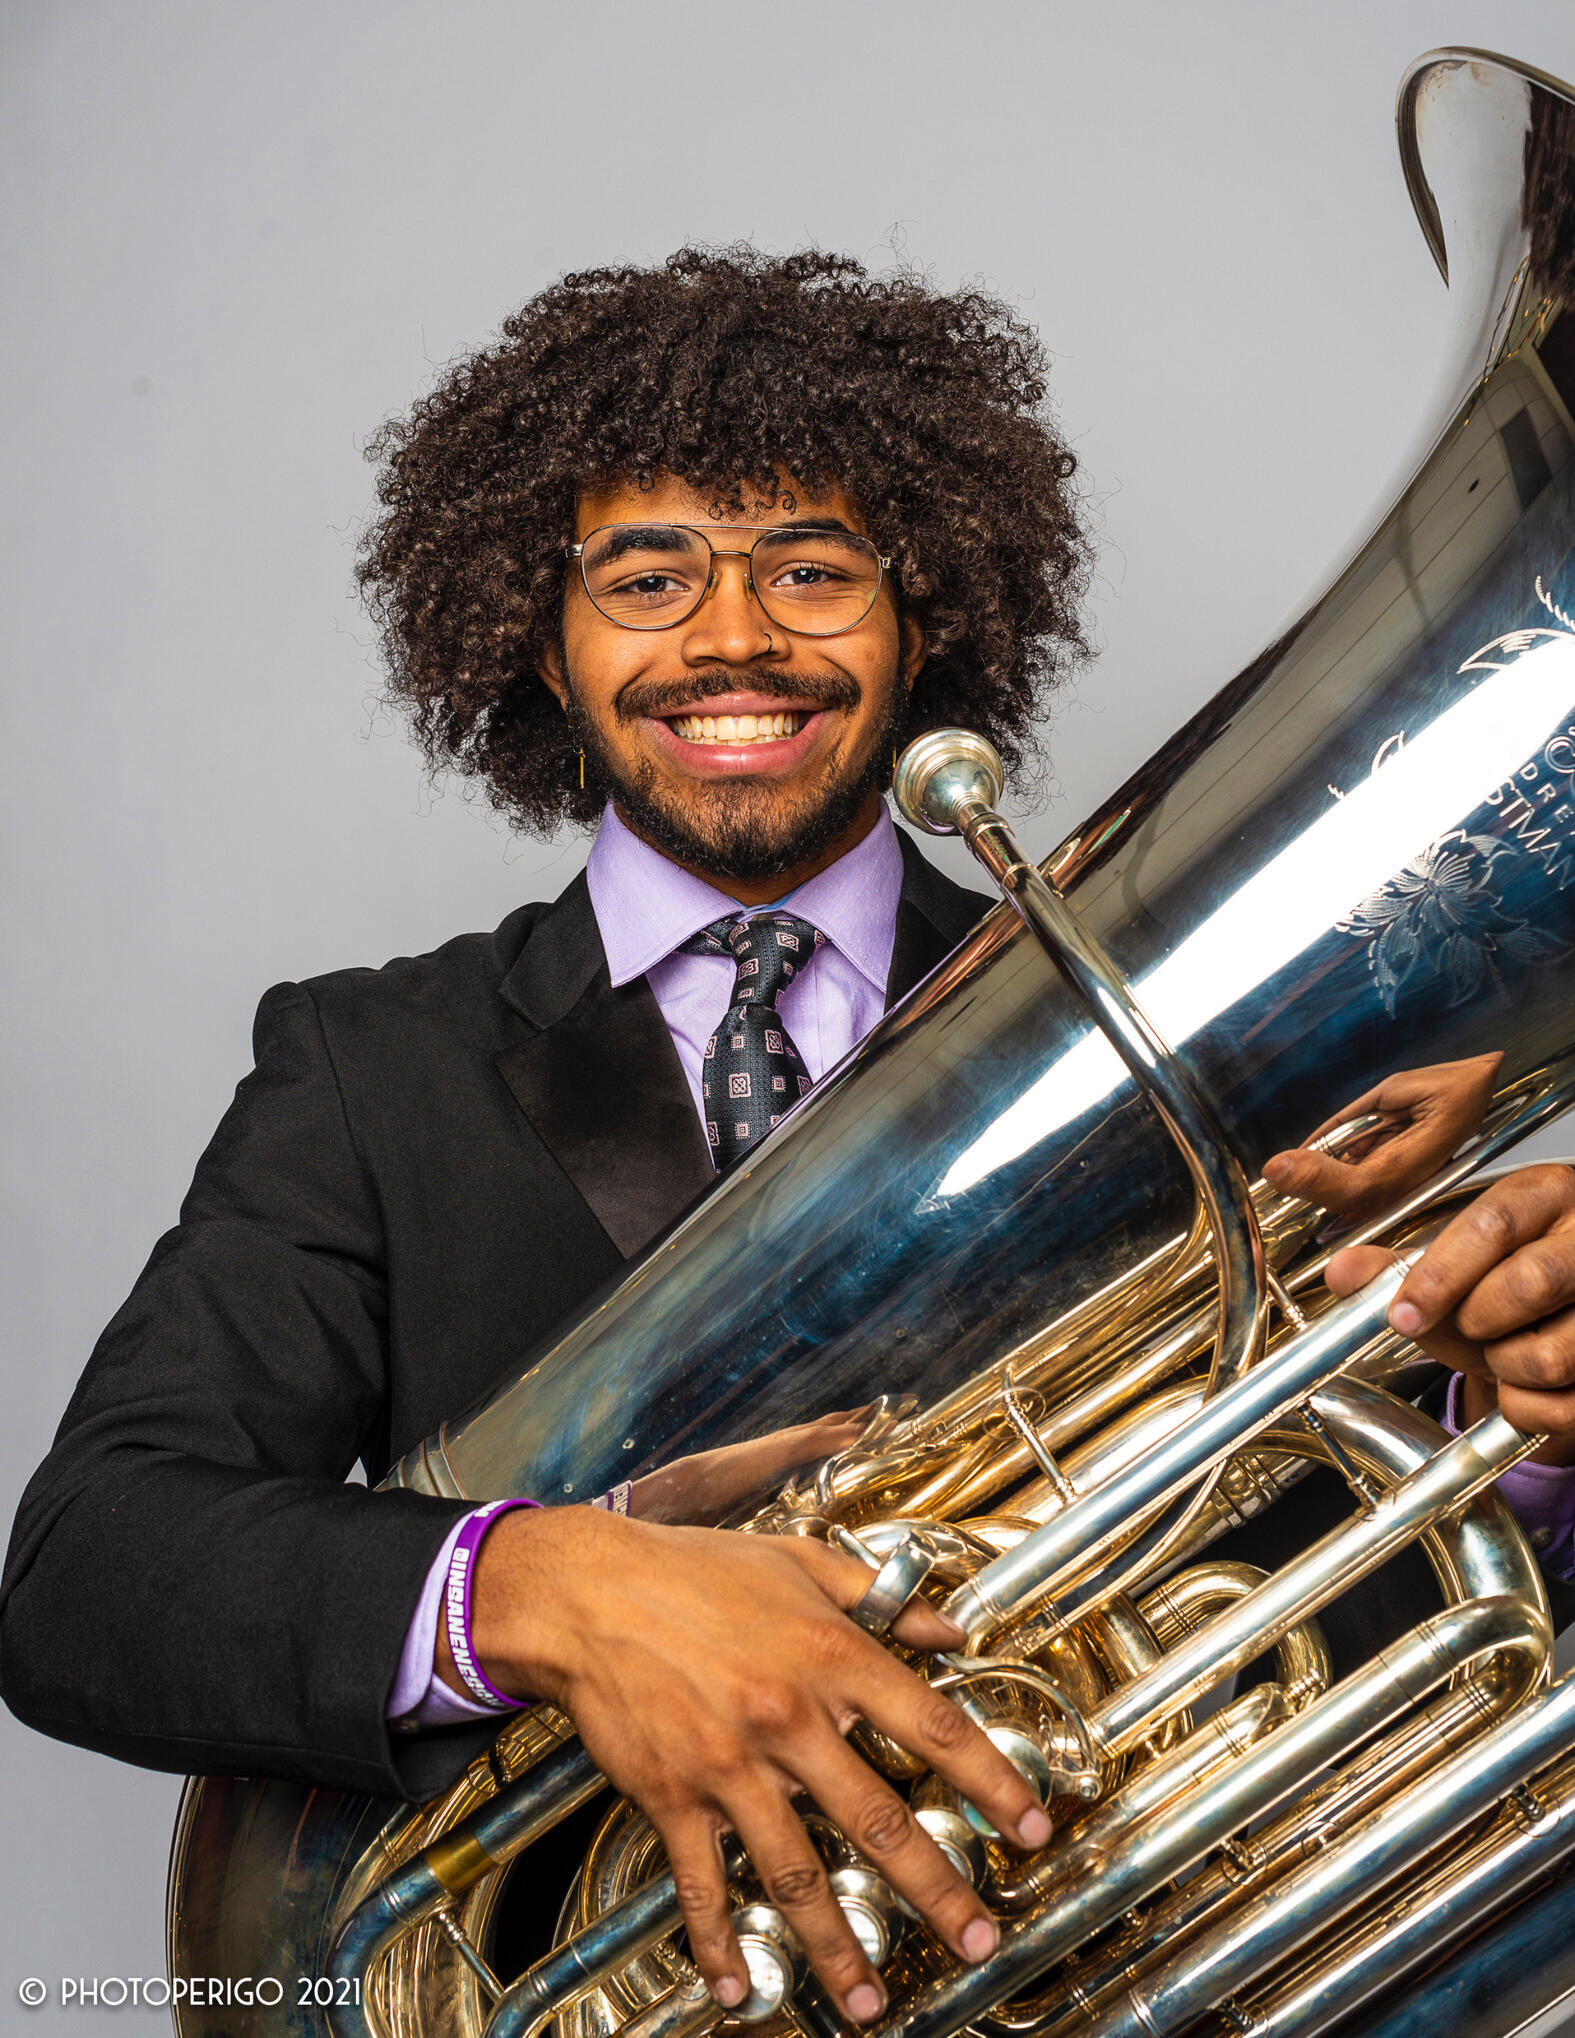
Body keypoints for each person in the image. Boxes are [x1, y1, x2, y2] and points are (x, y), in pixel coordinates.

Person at [2, 247, 1573, 2024]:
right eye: (645, 576)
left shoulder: (1179, 1035)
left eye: (813, 570)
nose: (735, 636)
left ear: (928, 620)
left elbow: (1334, 1596)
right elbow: (87, 1575)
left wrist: (1511, 1434)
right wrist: (554, 1586)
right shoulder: (372, 1067)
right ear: (540, 639)